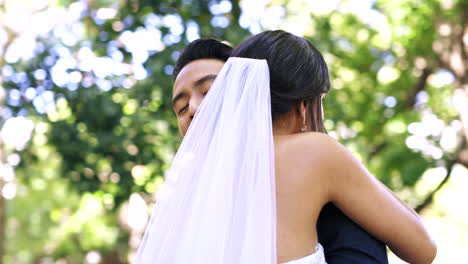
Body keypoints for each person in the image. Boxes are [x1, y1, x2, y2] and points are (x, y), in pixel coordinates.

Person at [171, 38, 389, 264]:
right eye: (181, 108)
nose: (195, 109)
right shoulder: (181, 213)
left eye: (209, 92)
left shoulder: (313, 177)